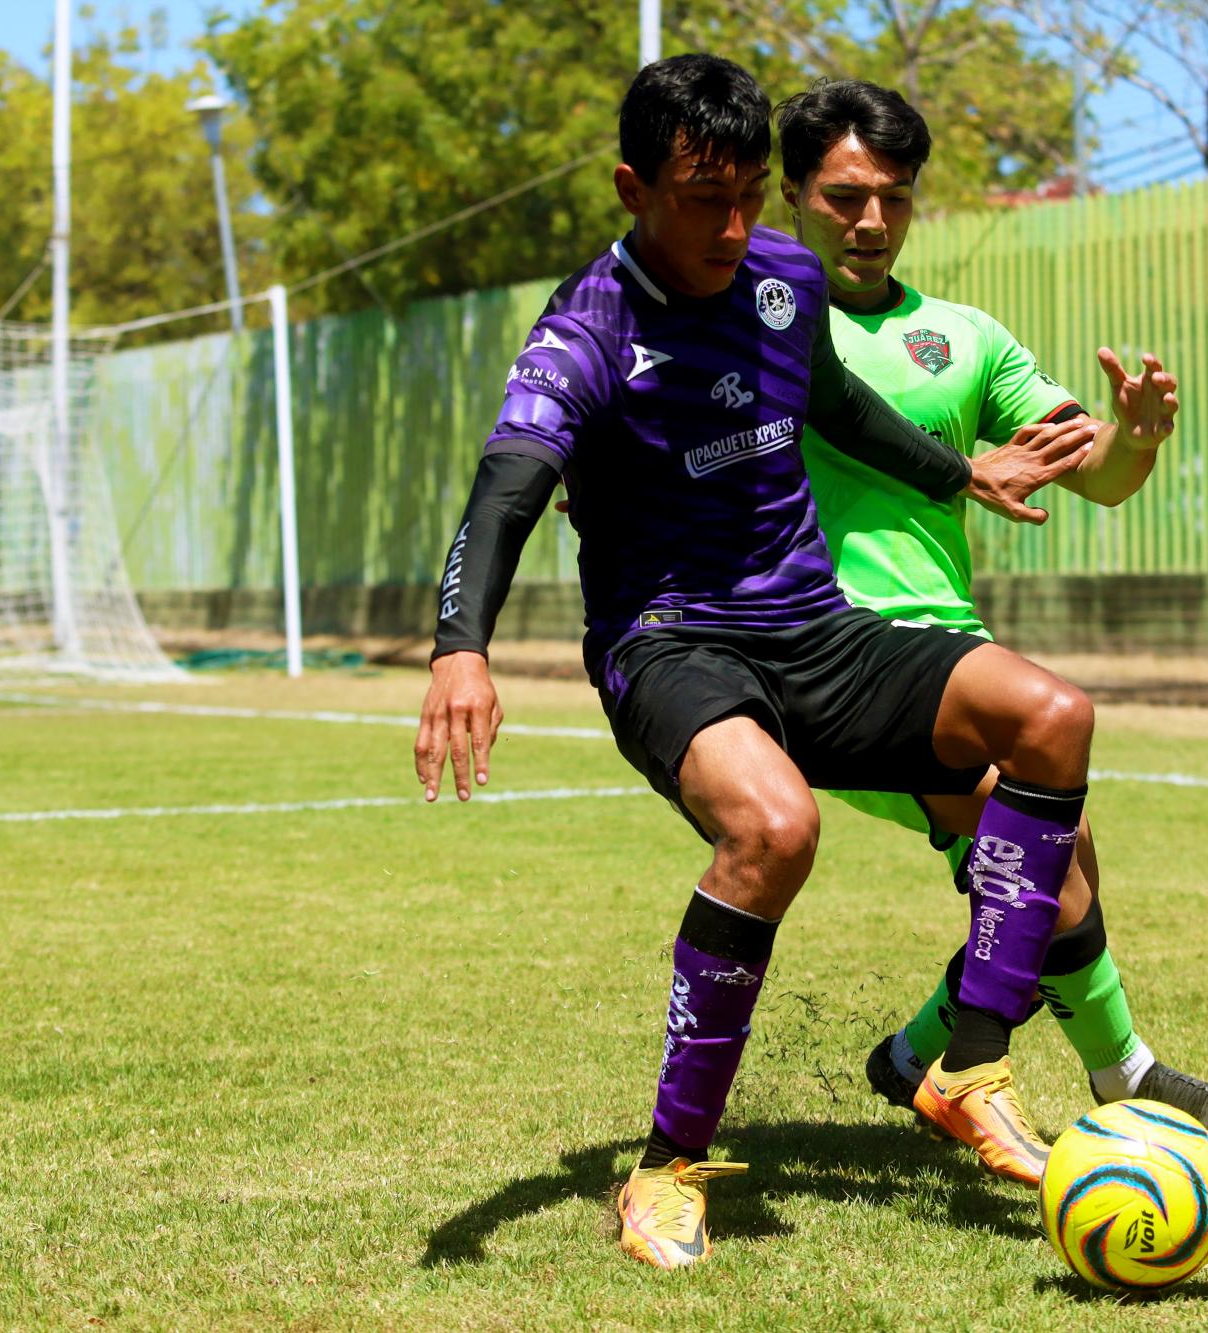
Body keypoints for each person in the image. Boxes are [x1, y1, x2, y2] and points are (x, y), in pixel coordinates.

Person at [415, 55, 1108, 1270]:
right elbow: (508, 481)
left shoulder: (783, 274)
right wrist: (459, 650)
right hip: (670, 644)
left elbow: (834, 402)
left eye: (747, 195)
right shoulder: (591, 326)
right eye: (700, 199)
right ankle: (666, 1166)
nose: (733, 228)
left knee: (1050, 715)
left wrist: (966, 472)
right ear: (633, 187)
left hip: (815, 627)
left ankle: (967, 1062)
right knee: (776, 831)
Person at [774, 80, 1208, 1148]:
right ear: (792, 194)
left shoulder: (963, 335)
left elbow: (1087, 469)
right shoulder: (753, 328)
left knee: (1053, 849)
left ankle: (917, 1055)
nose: (869, 221)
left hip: (956, 651)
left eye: (892, 198)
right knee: (1037, 835)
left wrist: (1131, 439)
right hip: (830, 653)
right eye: (844, 196)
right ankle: (1121, 1074)